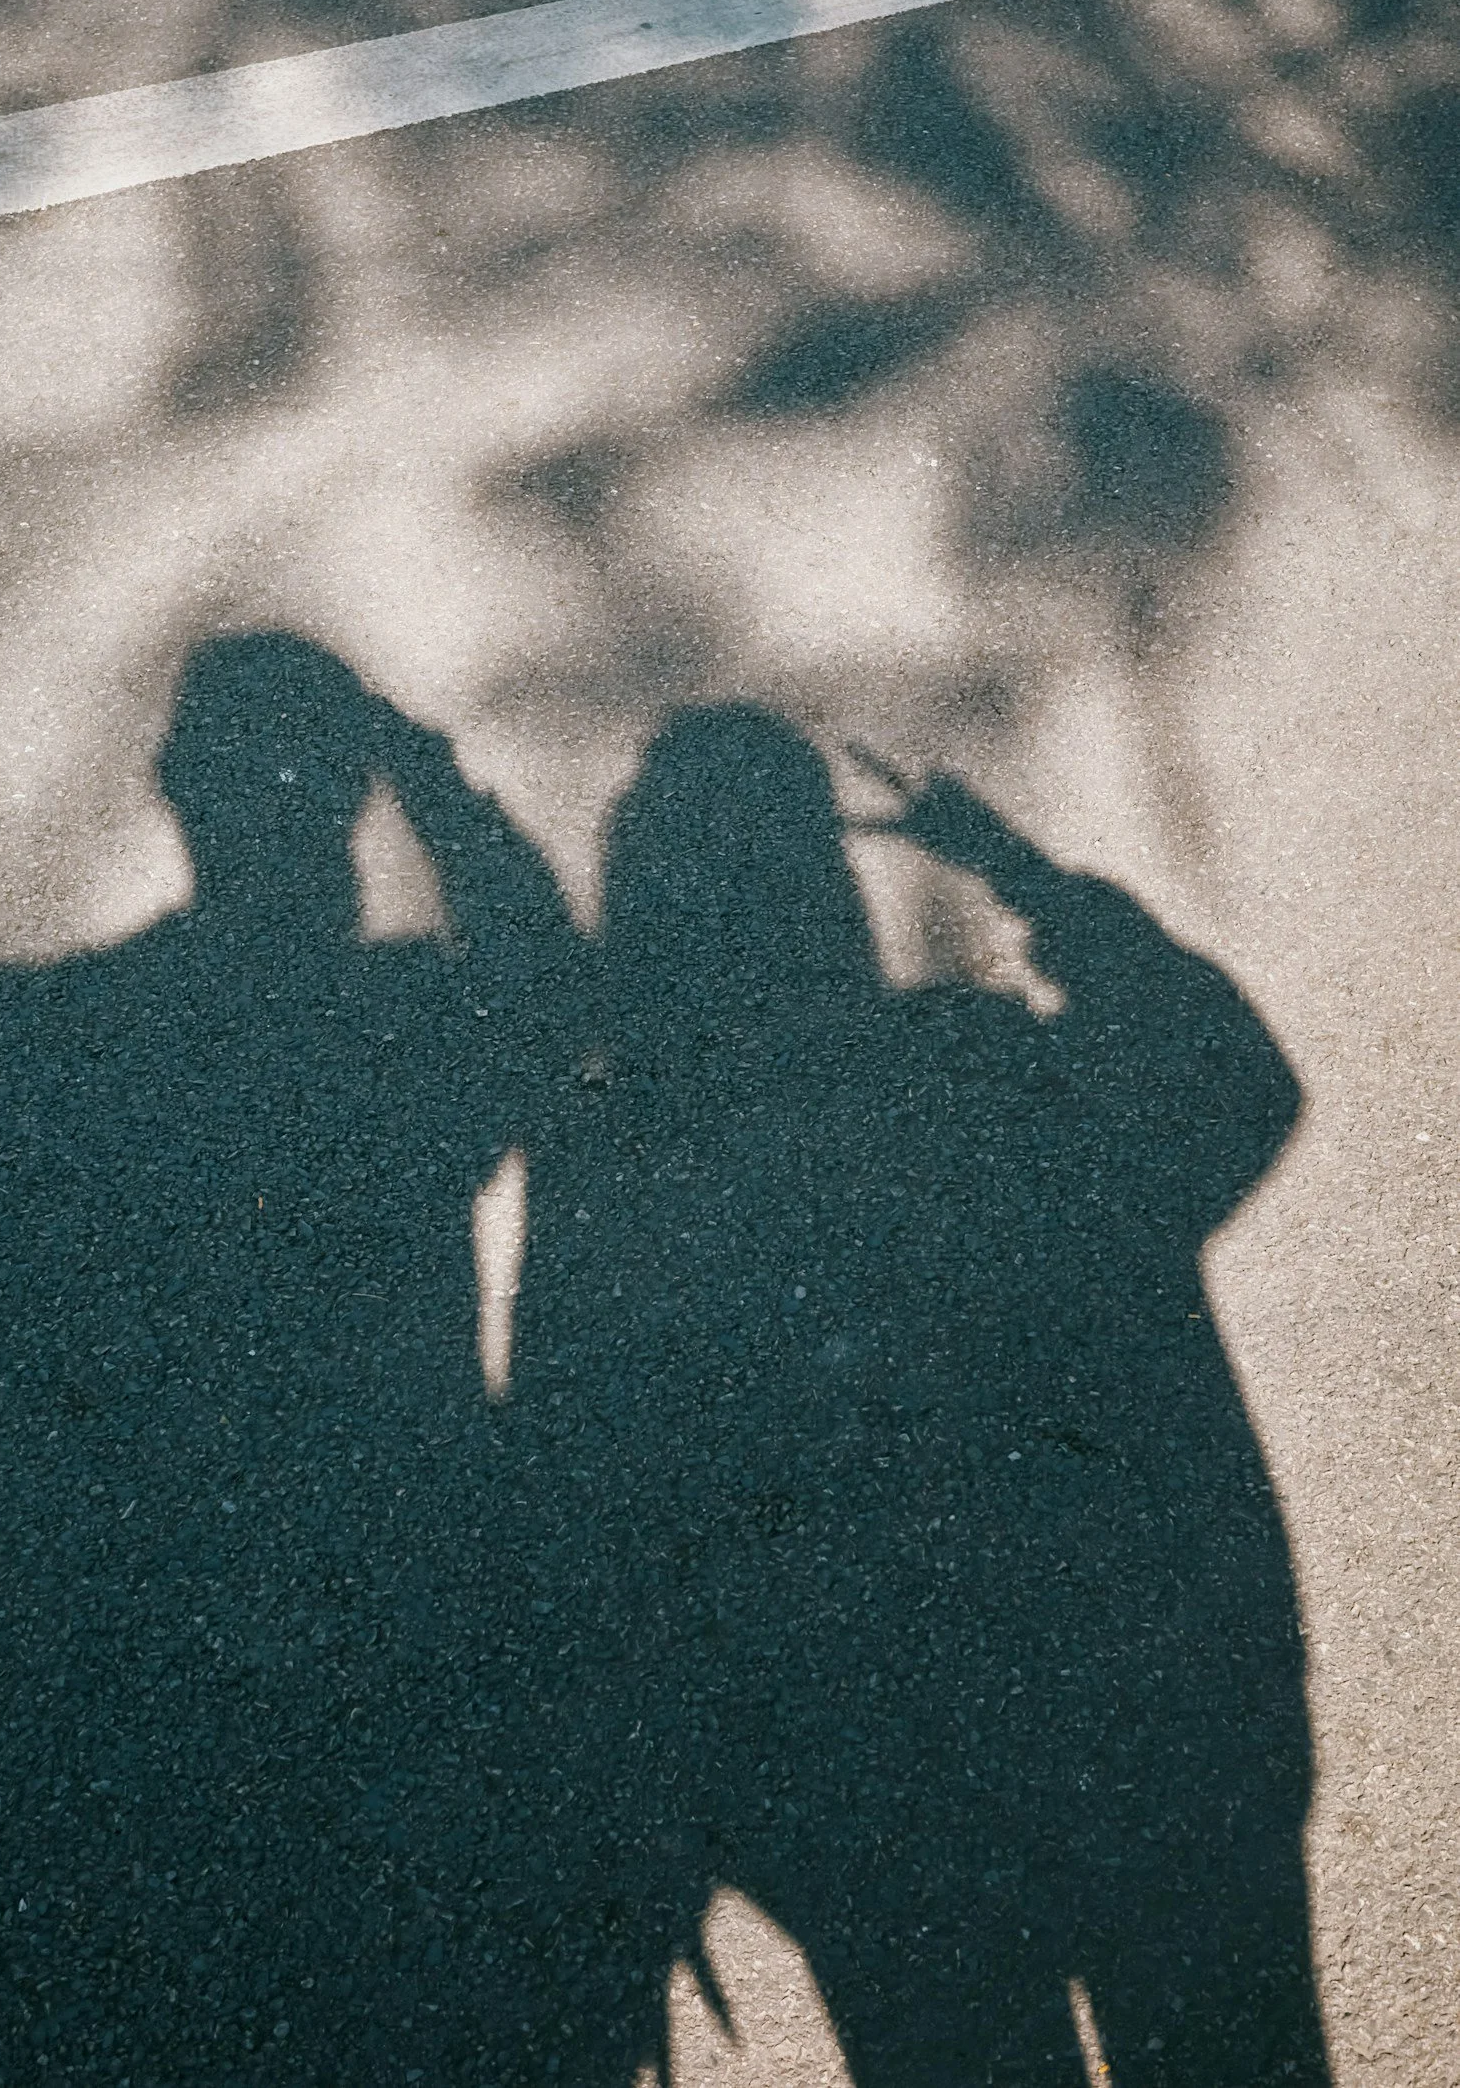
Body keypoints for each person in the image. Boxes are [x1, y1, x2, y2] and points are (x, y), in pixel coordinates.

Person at [515, 706, 1329, 2087]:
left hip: (870, 1809)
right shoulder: (976, 1074)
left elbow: (582, 1505)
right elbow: (1232, 1086)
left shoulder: (628, 1174)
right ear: (823, 888)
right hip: (1153, 1744)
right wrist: (1029, 882)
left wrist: (646, 1837)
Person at [0, 632, 578, 2087]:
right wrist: (435, 780)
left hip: (109, 1675)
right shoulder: (387, 1026)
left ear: (169, 789)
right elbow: (547, 998)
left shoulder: (51, 1033)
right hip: (325, 1672)